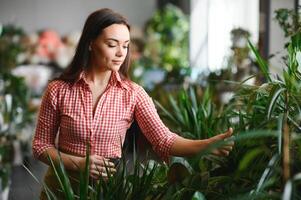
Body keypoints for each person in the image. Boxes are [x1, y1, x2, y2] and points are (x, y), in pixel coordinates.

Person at [32, 8, 234, 199]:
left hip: (107, 191)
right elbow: (40, 146)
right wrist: (78, 163)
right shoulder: (59, 90)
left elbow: (163, 140)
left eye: (126, 45)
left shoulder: (133, 94)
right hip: (60, 190)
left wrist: (206, 145)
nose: (121, 52)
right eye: (112, 44)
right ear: (91, 43)